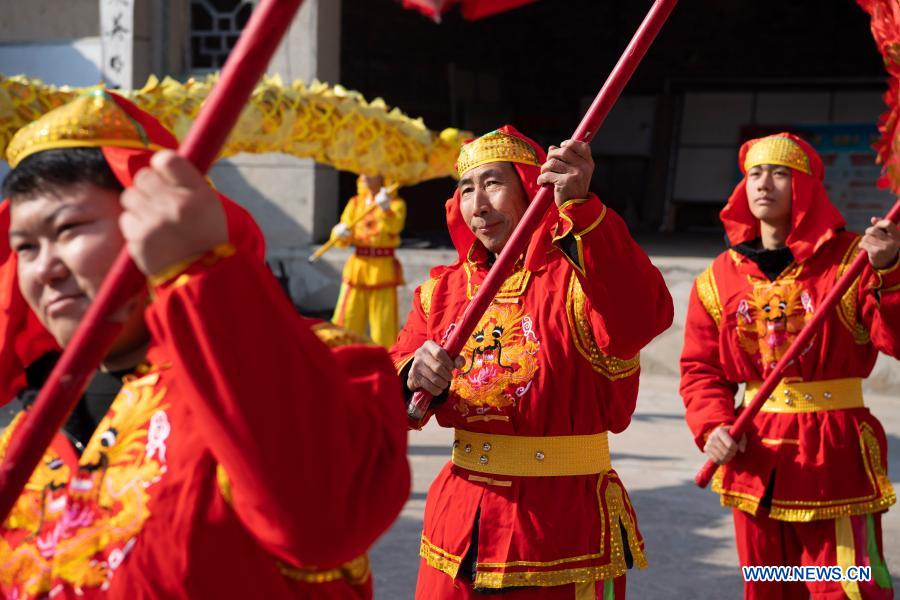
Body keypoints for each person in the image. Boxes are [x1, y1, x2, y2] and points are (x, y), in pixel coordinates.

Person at [0, 90, 410, 599]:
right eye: (25, 247)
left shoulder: (318, 363)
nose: (45, 267)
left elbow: (320, 522)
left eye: (69, 229)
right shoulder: (20, 438)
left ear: (157, 222)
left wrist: (200, 275)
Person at [390, 126, 674, 598]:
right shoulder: (440, 293)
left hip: (561, 525)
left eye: (494, 184)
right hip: (459, 524)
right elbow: (395, 382)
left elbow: (642, 315)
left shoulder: (582, 275)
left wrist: (581, 210)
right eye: (465, 189)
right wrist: (413, 375)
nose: (478, 204)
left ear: (531, 188)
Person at [680, 132, 900, 599]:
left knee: (846, 588)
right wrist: (713, 425)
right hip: (754, 456)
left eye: (780, 173)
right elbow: (701, 370)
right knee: (769, 587)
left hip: (833, 454)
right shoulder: (718, 277)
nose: (764, 184)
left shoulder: (853, 260)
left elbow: (894, 338)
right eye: (755, 173)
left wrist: (891, 271)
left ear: (807, 187)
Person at [330, 174, 406, 348]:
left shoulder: (396, 204)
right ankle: (339, 361)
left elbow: (395, 227)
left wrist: (386, 209)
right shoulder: (355, 203)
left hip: (382, 270)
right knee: (346, 318)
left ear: (382, 177)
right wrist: (339, 233)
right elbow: (341, 239)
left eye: (370, 172)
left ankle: (387, 366)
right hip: (357, 268)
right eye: (362, 172)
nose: (364, 176)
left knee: (384, 325)